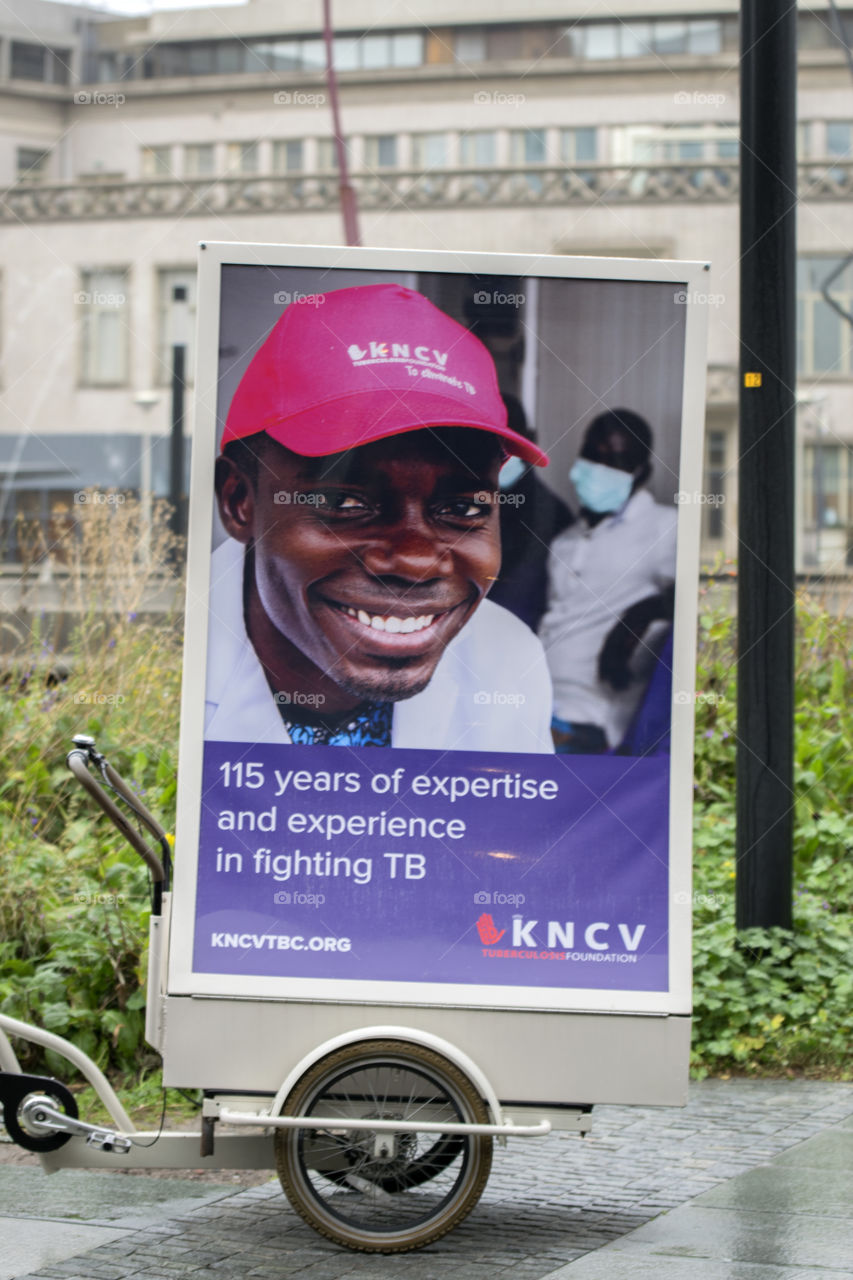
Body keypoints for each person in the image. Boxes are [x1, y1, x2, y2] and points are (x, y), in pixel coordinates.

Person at [205, 282, 555, 752]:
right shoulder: (162, 665)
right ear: (239, 501)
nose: (416, 561)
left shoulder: (509, 661)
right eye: (344, 504)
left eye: (461, 509)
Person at [538, 408, 676, 754]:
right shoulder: (565, 540)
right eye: (592, 456)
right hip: (538, 700)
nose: (598, 469)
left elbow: (693, 598)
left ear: (640, 471)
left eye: (613, 460)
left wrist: (639, 615)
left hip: (591, 717)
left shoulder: (666, 528)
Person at [487, 394, 573, 632]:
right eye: (489, 442)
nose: (499, 453)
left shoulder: (554, 516)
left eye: (509, 443)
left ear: (529, 441)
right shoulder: (457, 500)